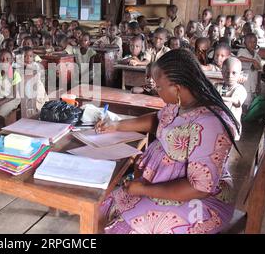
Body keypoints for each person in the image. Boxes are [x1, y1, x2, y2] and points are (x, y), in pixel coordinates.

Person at [96, 48, 240, 234]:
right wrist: (116, 125)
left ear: (177, 88)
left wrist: (145, 190)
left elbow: (199, 188)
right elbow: (158, 120)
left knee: (122, 229)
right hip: (160, 185)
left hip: (198, 202)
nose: (157, 91)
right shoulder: (179, 105)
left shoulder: (210, 124)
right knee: (100, 209)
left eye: (159, 87)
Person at [214, 57, 247, 140]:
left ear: (240, 74)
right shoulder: (217, 86)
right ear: (222, 73)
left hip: (232, 127)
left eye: (234, 73)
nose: (229, 76)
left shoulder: (240, 89)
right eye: (226, 72)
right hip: (217, 125)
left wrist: (219, 98)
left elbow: (236, 101)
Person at [237, 33, 262, 106]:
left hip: (254, 81)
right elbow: (239, 58)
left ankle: (250, 116)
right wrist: (252, 61)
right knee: (245, 100)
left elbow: (259, 70)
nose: (252, 44)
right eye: (249, 42)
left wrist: (259, 84)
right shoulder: (242, 50)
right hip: (245, 82)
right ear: (245, 43)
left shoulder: (256, 55)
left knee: (253, 101)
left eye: (254, 42)